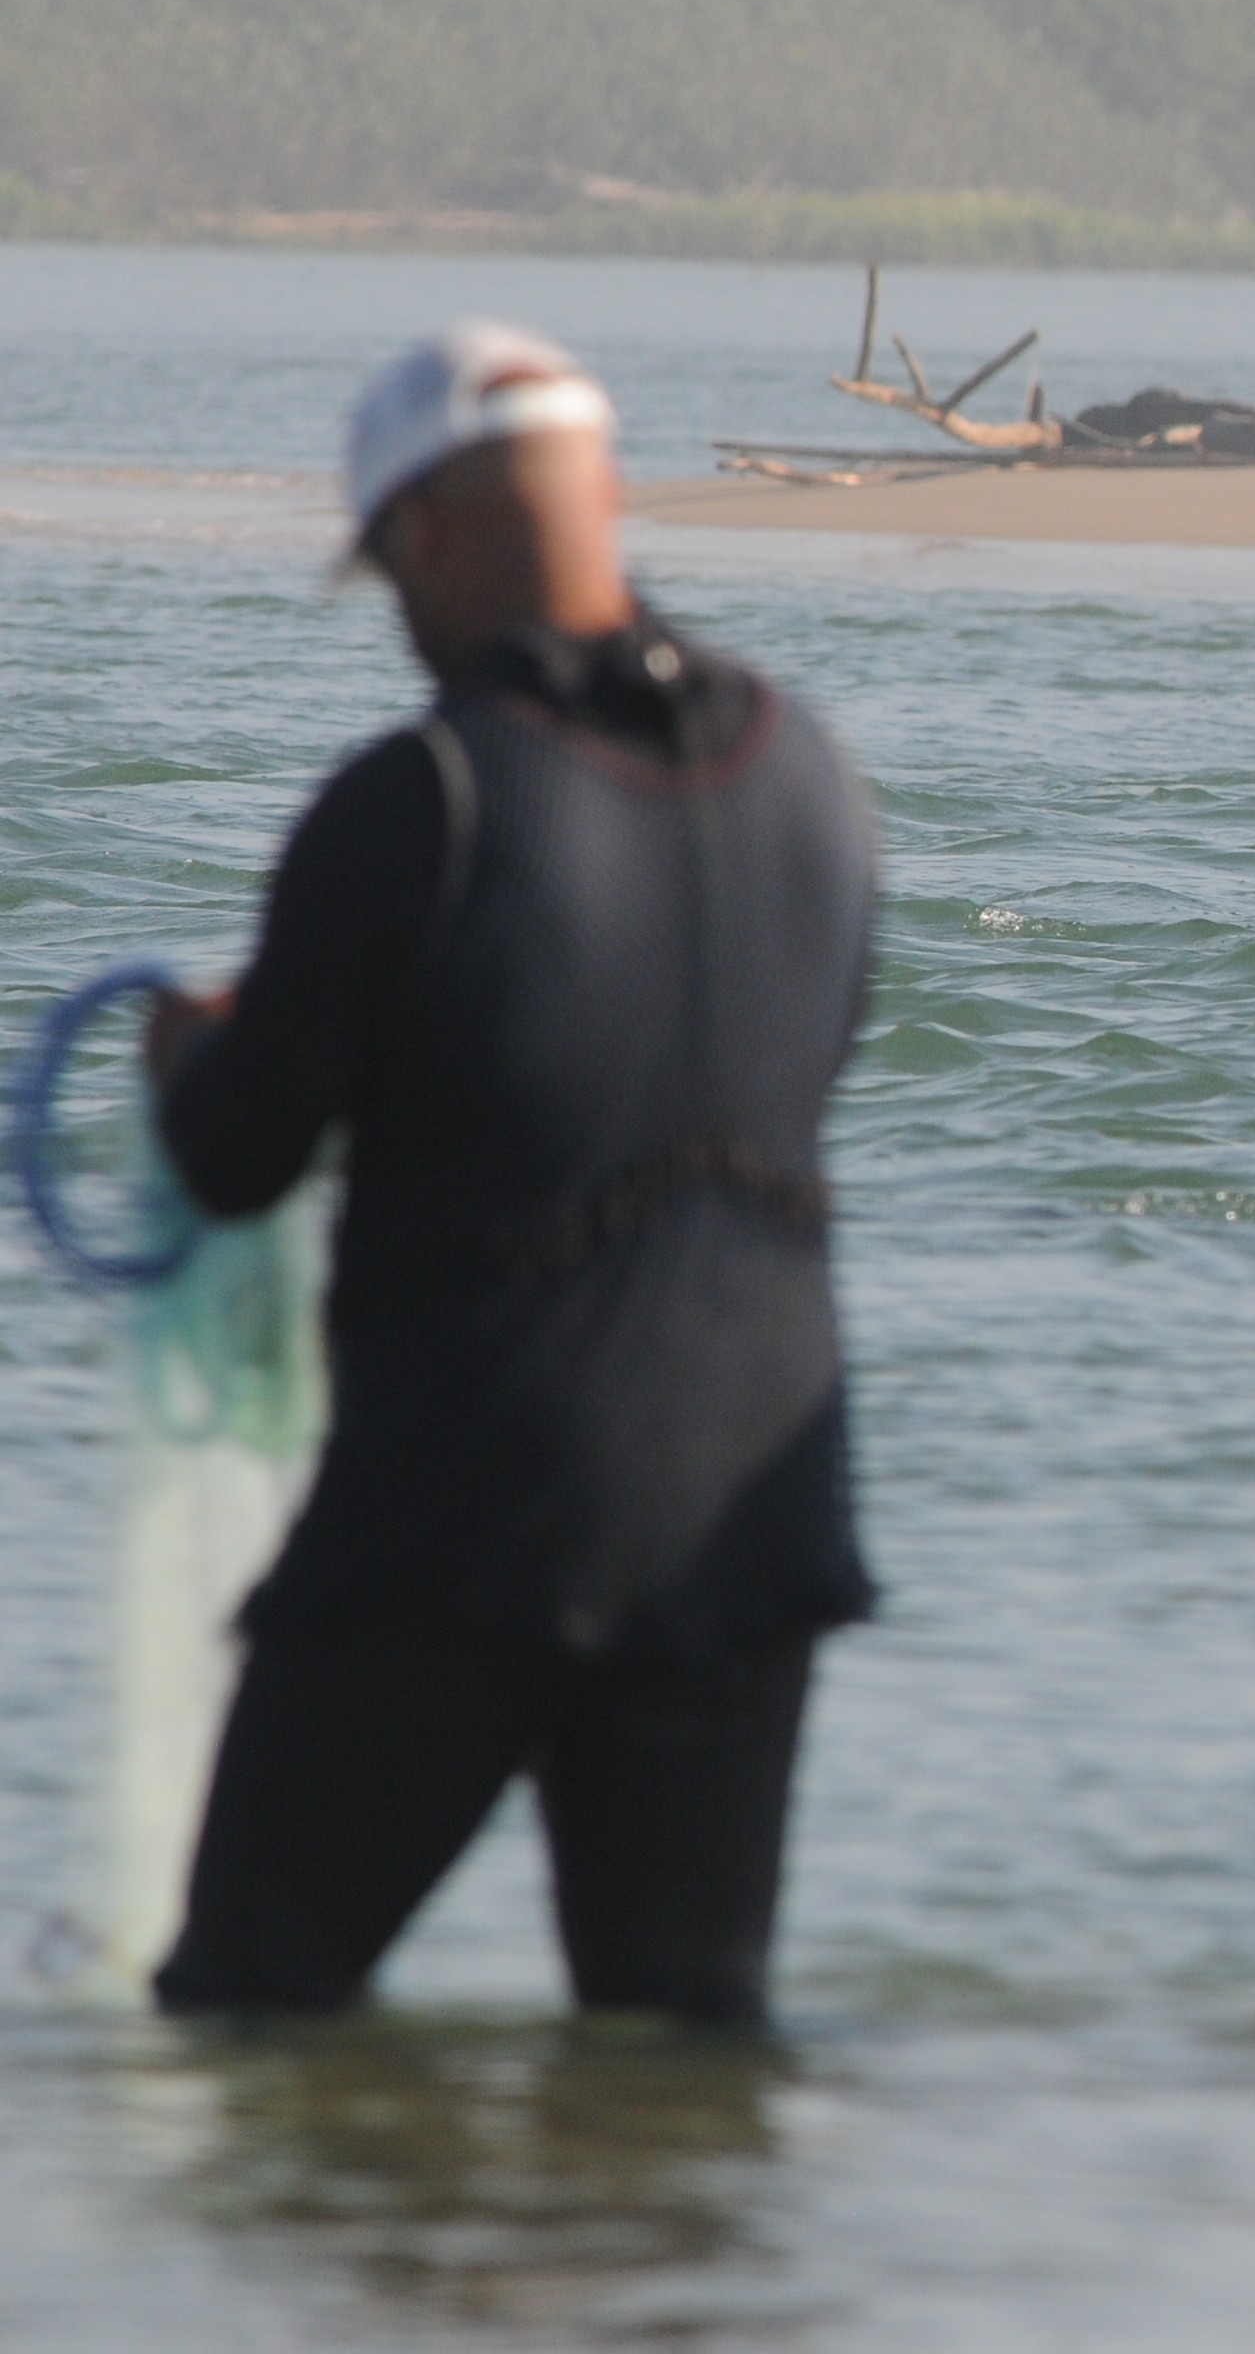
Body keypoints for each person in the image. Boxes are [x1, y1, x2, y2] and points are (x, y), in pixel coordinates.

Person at [139, 322, 881, 2024]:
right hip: (751, 1526)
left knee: (248, 2007)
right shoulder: (816, 774)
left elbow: (237, 1159)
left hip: (461, 1517)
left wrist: (190, 1053)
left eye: (388, 564)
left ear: (431, 531)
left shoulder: (423, 796)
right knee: (682, 2037)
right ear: (604, 498)